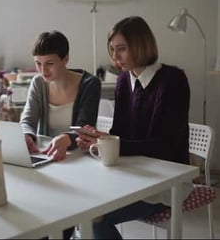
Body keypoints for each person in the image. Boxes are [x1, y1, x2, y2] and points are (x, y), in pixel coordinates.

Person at [75, 16, 191, 239]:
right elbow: (122, 135)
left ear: (140, 45)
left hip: (166, 180)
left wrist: (108, 143)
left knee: (92, 218)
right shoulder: (123, 80)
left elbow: (165, 146)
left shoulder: (173, 80)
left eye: (122, 49)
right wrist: (98, 140)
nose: (115, 57)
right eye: (112, 50)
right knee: (79, 208)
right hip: (132, 174)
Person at [19, 30, 101, 239]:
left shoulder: (90, 84)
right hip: (49, 162)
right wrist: (27, 134)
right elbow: (27, 119)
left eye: (50, 63)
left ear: (66, 59)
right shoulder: (38, 84)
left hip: (80, 164)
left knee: (59, 217)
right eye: (38, 63)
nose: (43, 70)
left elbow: (85, 124)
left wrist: (67, 138)